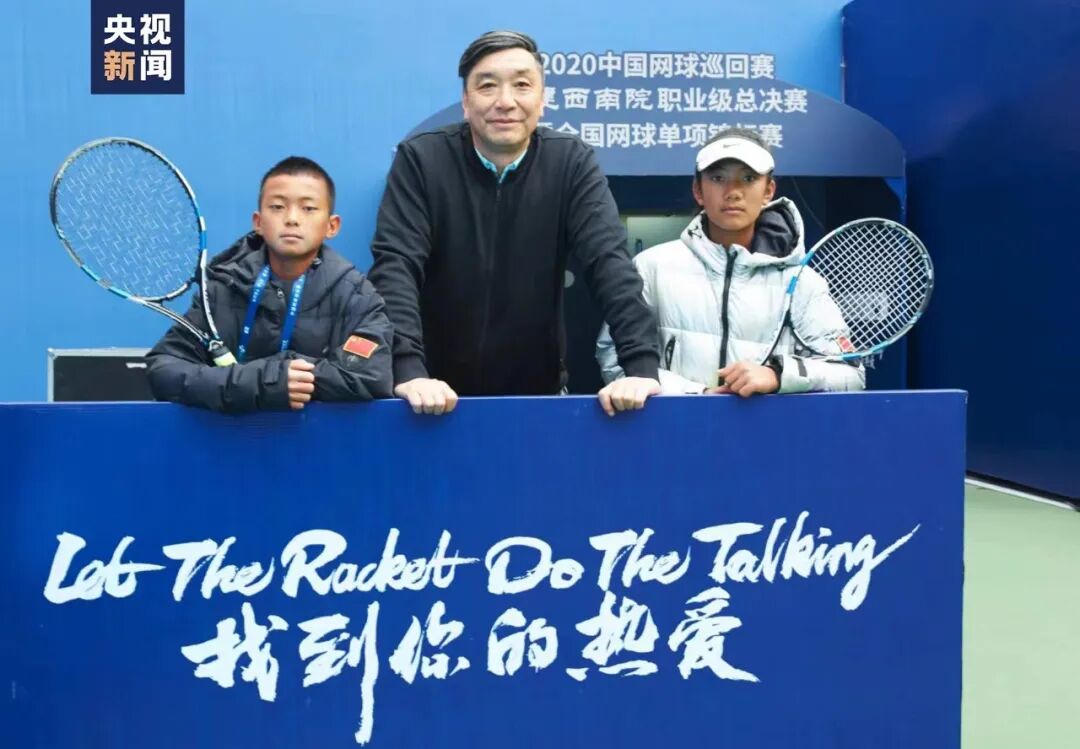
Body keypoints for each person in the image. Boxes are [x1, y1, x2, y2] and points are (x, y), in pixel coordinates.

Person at [368, 30, 660, 417]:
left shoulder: (570, 162)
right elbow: (396, 266)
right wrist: (407, 369)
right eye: (487, 86)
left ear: (542, 100)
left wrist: (640, 367)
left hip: (538, 398)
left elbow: (609, 262)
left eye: (522, 85)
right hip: (432, 400)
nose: (505, 101)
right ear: (466, 102)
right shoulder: (422, 160)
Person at [596, 128, 865, 396]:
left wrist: (778, 374)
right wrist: (698, 394)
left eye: (748, 178)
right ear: (698, 190)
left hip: (770, 426)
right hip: (677, 424)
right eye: (718, 178)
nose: (733, 192)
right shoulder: (651, 268)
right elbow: (614, 361)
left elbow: (850, 375)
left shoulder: (803, 282)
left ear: (768, 191)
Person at [147, 157, 394, 412]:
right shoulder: (223, 288)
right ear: (258, 223)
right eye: (277, 207)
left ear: (332, 226)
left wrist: (288, 377)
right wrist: (262, 382)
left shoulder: (357, 296)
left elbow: (371, 377)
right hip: (231, 437)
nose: (292, 219)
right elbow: (164, 370)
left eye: (308, 208)